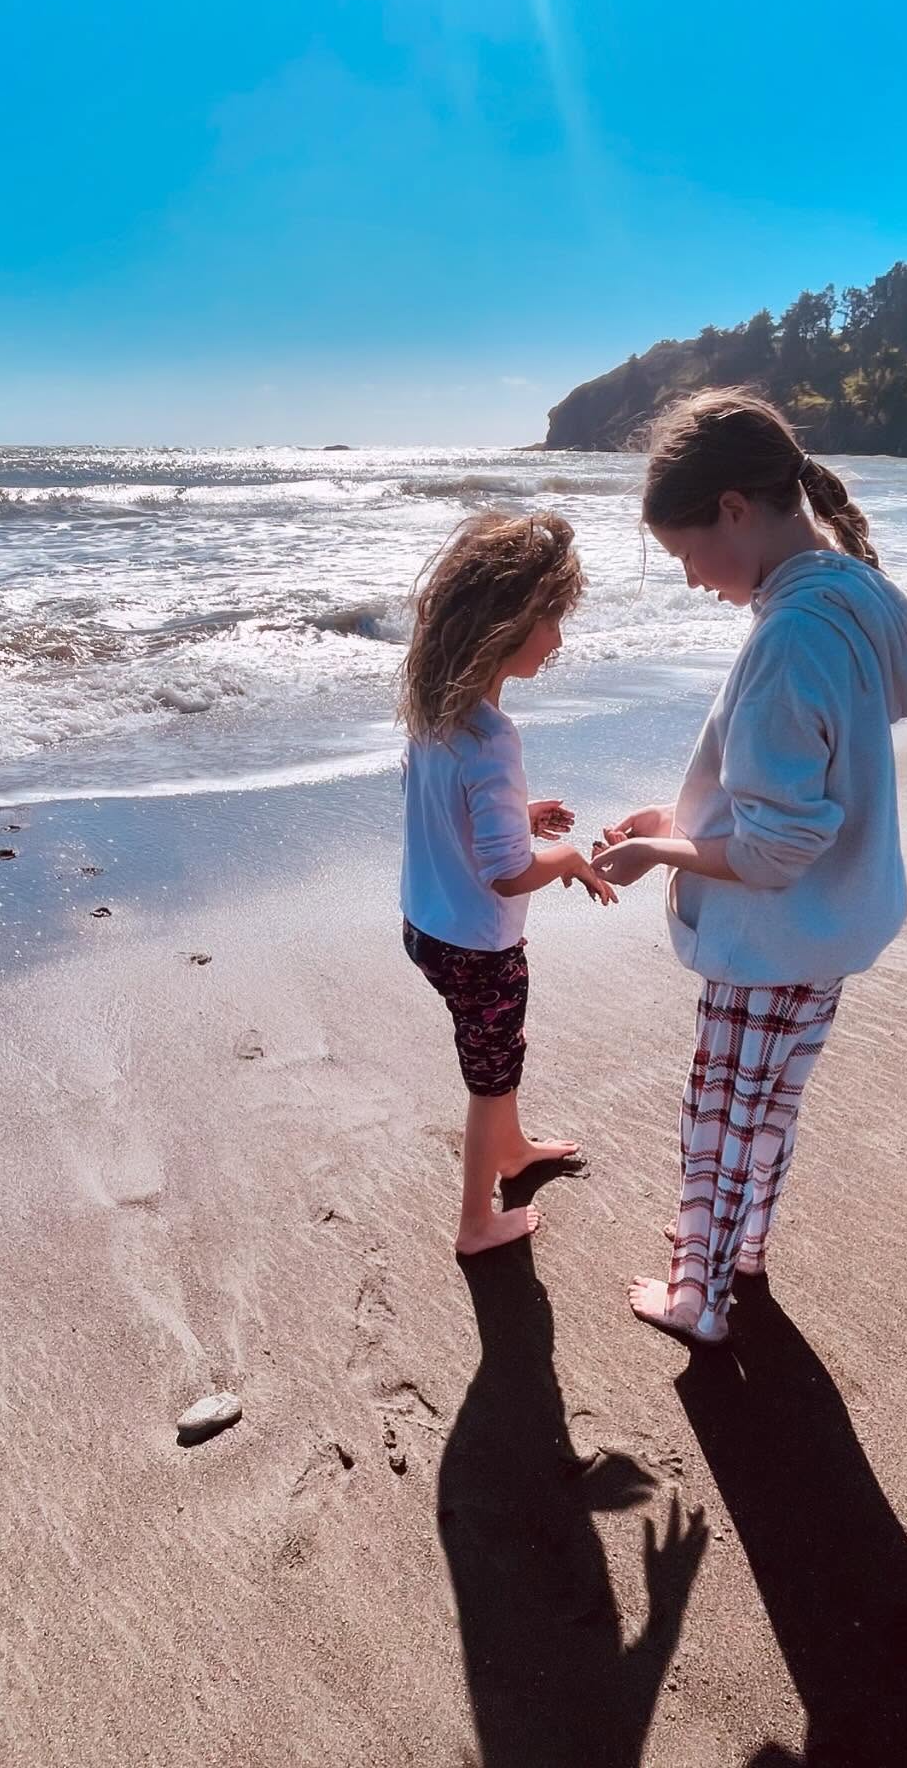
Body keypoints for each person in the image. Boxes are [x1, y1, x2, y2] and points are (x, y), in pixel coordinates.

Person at [593, 390, 907, 1342]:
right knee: (768, 1103)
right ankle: (740, 1248)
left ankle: (697, 1299)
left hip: (773, 932)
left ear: (735, 509)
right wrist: (681, 818)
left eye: (685, 554)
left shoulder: (789, 636)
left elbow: (777, 848)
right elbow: (806, 785)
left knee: (723, 1111)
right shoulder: (849, 592)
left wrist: (655, 850)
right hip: (829, 924)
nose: (691, 580)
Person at [399, 511, 616, 1256]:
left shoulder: (435, 712)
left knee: (498, 1051)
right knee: (489, 1080)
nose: (558, 639)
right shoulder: (492, 738)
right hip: (478, 947)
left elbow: (444, 810)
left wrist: (517, 816)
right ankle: (476, 1224)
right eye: (550, 620)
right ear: (507, 625)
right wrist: (571, 860)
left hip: (426, 926)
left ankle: (515, 1151)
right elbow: (507, 872)